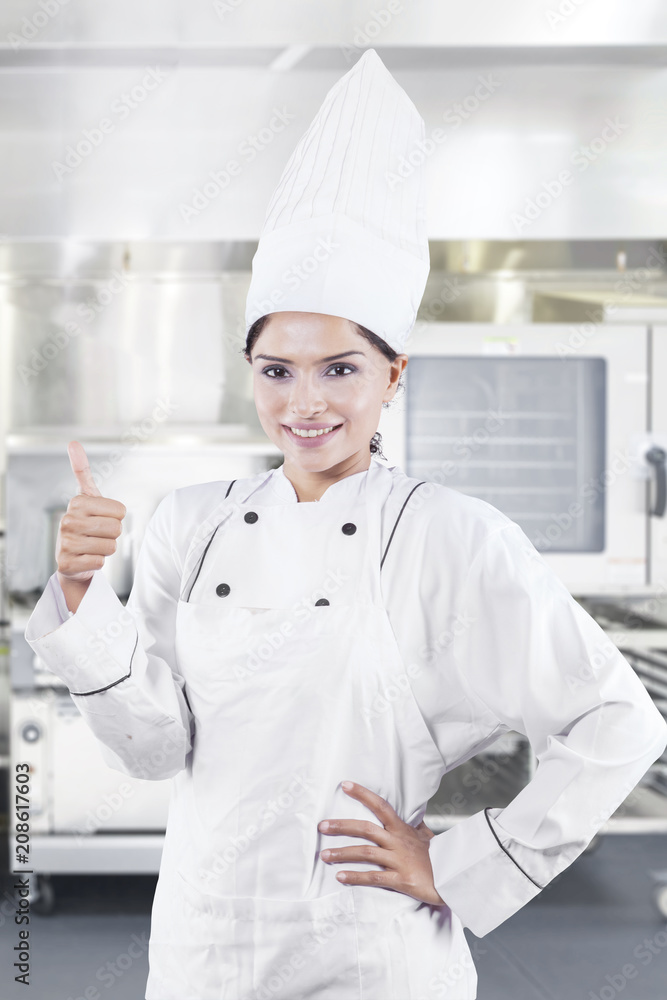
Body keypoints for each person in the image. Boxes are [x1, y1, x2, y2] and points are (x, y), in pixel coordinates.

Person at [25, 51, 667, 1000]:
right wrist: (83, 595)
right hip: (203, 948)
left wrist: (460, 864)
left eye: (340, 368)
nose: (306, 403)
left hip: (371, 955)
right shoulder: (189, 525)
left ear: (392, 375)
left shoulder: (451, 535)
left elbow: (616, 723)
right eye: (277, 370)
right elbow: (156, 748)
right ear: (250, 374)